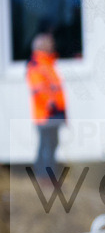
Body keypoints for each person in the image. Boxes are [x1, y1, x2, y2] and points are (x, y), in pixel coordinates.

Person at [26, 32, 67, 183]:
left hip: (55, 113)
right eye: (49, 43)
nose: (53, 45)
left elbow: (55, 89)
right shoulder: (37, 65)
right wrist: (51, 103)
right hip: (45, 114)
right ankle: (44, 178)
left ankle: (48, 177)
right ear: (42, 46)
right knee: (46, 147)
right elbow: (39, 90)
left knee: (52, 144)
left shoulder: (48, 64)